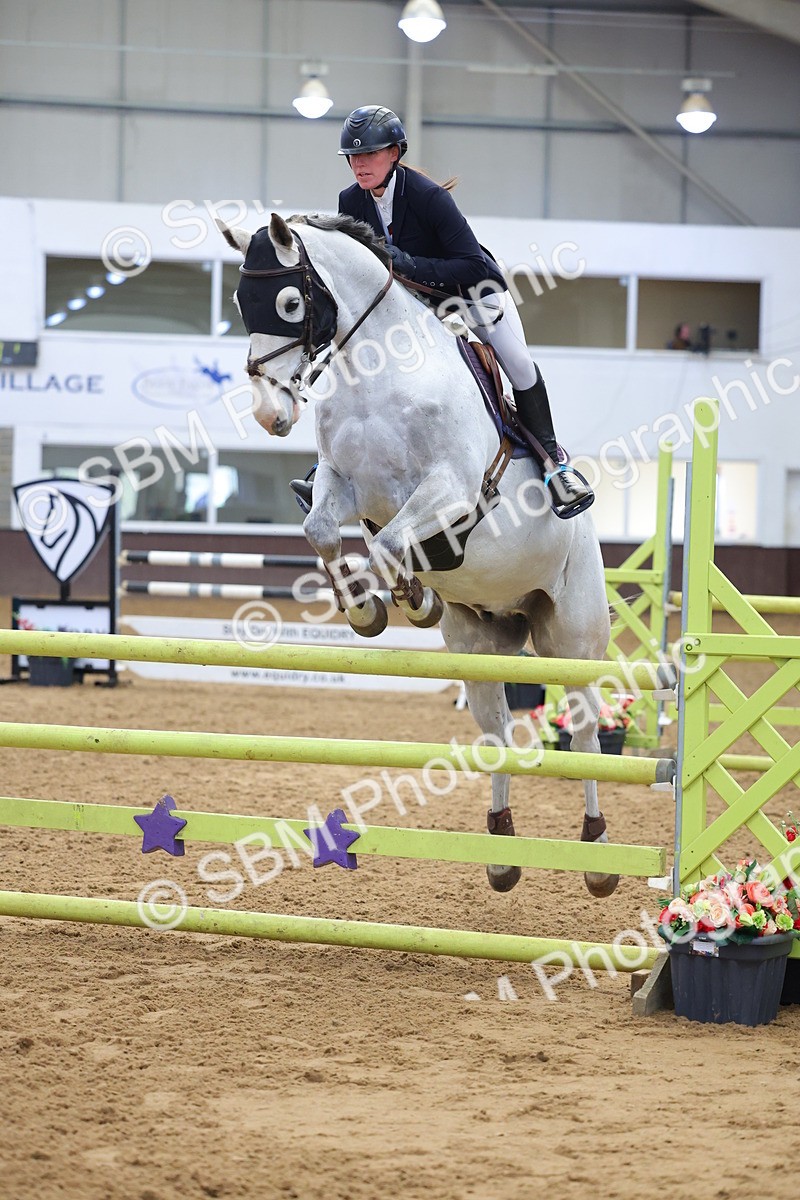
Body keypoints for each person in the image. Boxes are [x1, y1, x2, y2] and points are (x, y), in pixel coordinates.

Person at [291, 104, 593, 518]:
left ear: (394, 153)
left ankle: (554, 465)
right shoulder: (350, 200)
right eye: (353, 158)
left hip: (468, 293)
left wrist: (406, 264)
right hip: (410, 307)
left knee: (519, 365)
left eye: (369, 155)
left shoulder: (427, 197)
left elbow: (471, 264)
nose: (359, 165)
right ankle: (332, 471)